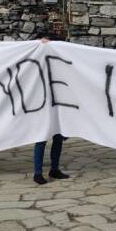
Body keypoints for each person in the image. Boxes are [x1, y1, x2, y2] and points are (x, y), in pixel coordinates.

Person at [33, 31, 70, 185]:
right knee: (41, 138)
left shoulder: (59, 58)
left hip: (57, 103)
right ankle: (37, 172)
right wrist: (37, 45)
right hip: (40, 104)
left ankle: (54, 168)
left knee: (58, 137)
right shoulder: (34, 55)